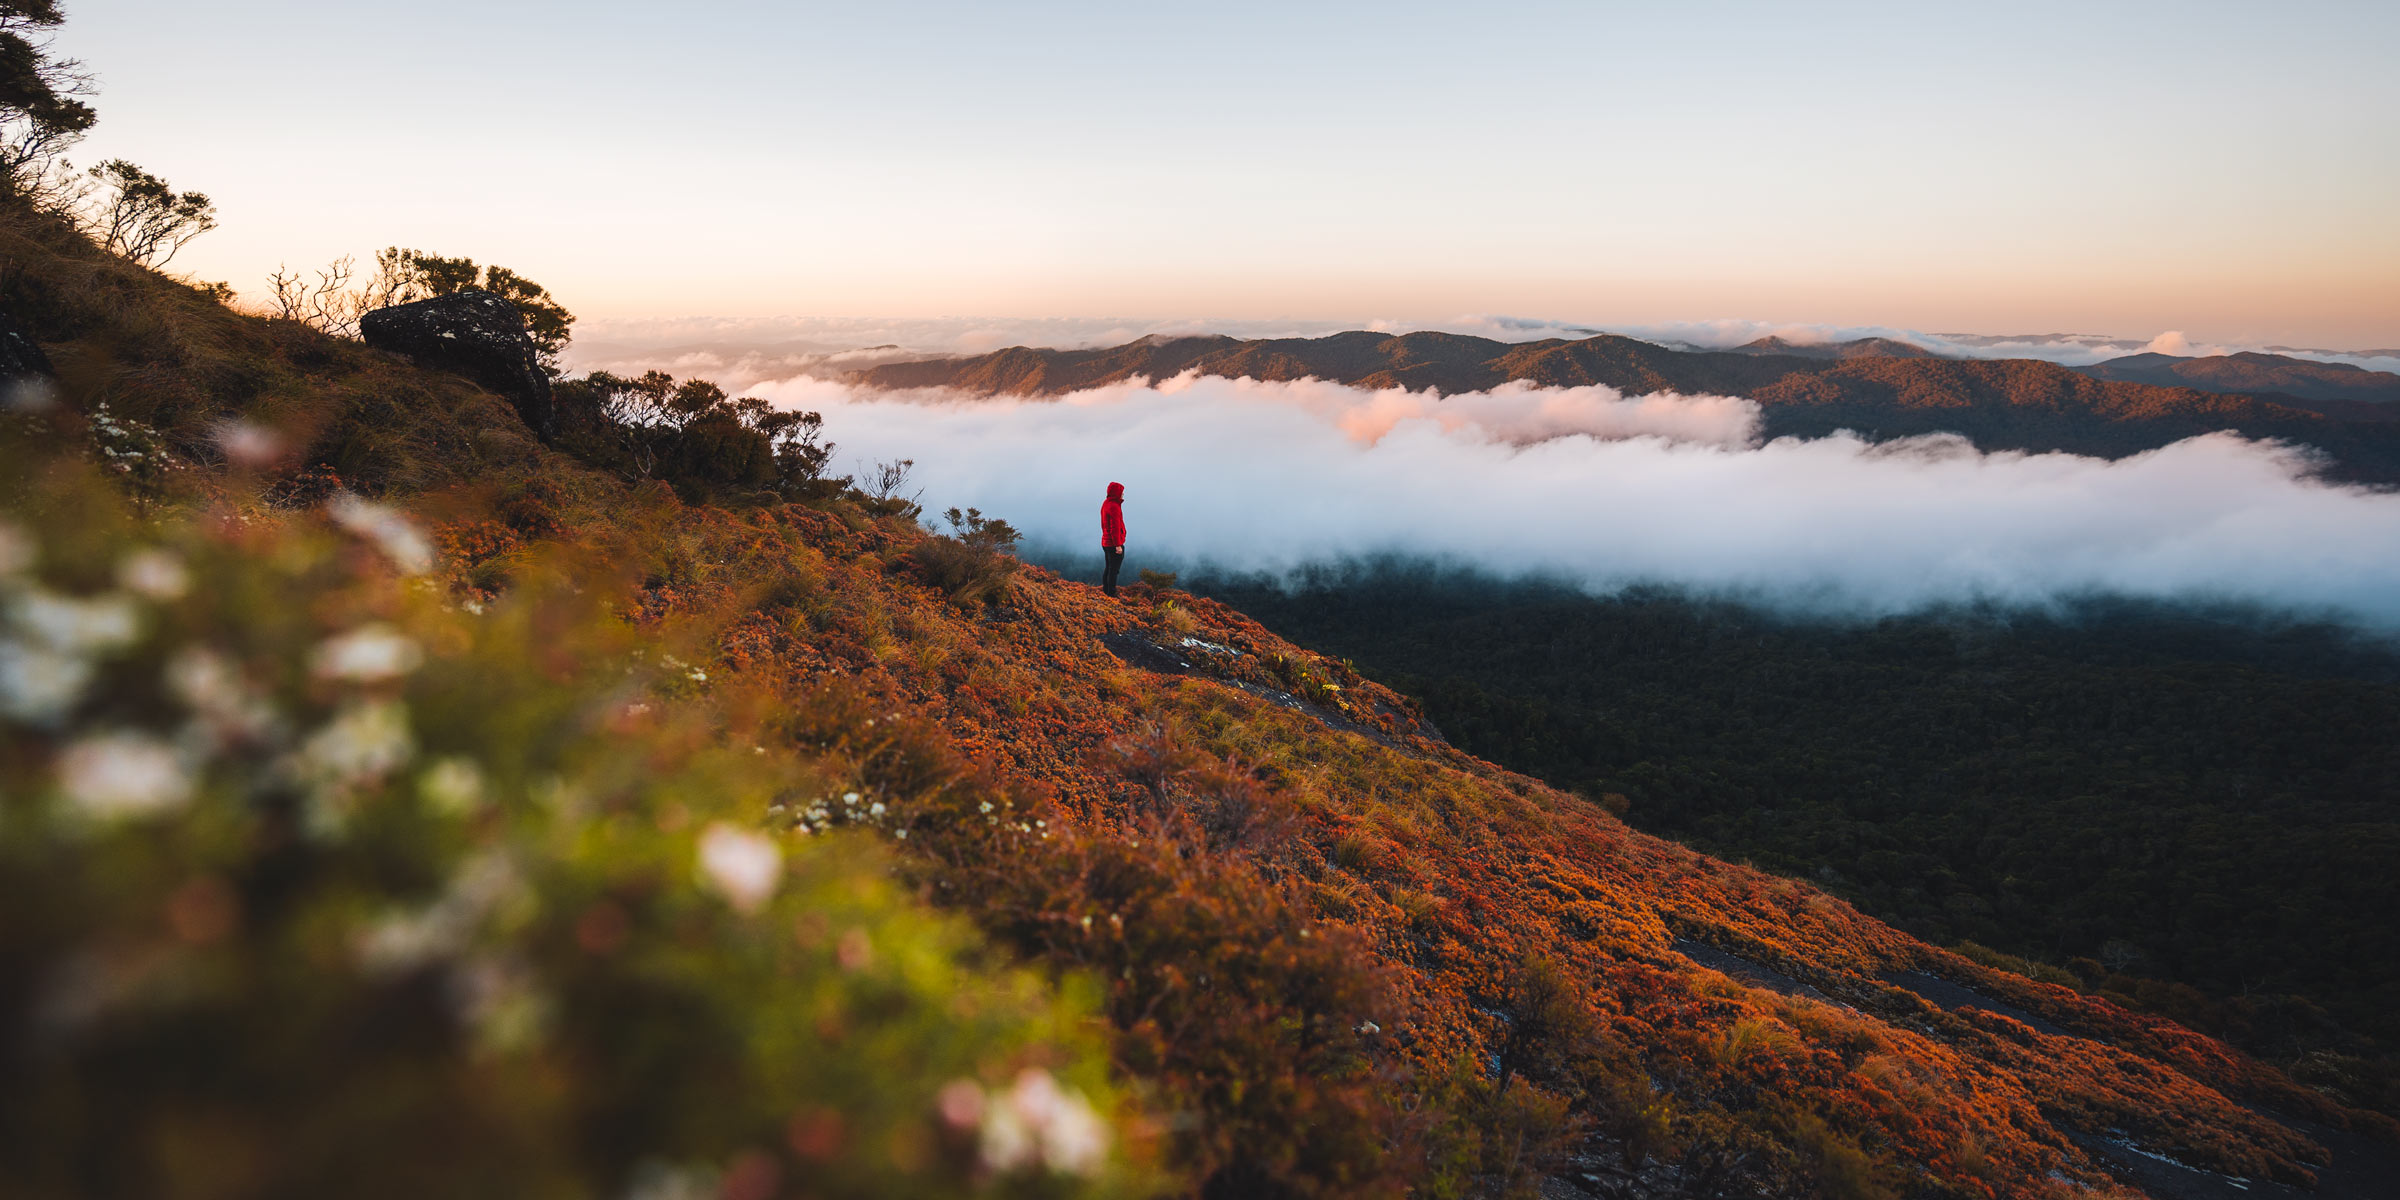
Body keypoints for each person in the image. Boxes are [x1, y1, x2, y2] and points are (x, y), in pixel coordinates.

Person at [1100, 481, 1126, 596]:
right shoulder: (1114, 507)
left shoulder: (1106, 503)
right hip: (1113, 544)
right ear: (1116, 493)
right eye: (1121, 492)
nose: (1123, 495)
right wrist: (1118, 545)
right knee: (1113, 571)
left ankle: (1106, 591)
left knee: (1108, 569)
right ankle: (1111, 594)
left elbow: (1105, 525)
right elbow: (1115, 528)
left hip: (1106, 542)